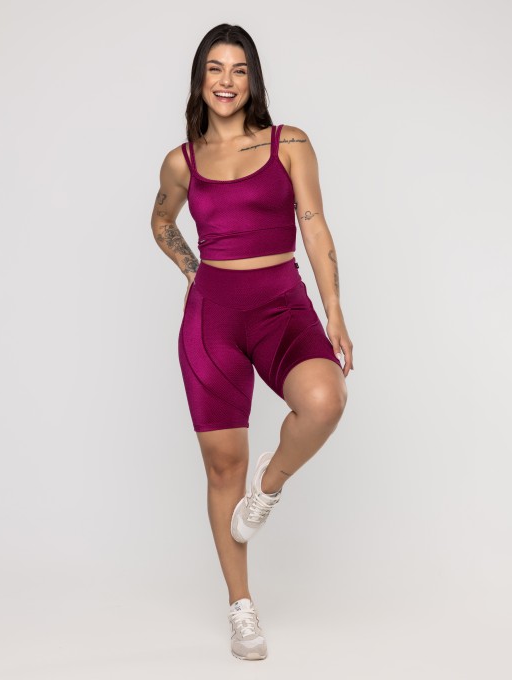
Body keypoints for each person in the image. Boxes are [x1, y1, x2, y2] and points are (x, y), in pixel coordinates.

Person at [151, 23, 354, 661]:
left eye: (239, 70)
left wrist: (335, 312)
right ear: (200, 79)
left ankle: (268, 485)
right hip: (212, 319)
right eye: (215, 68)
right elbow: (161, 219)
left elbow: (314, 227)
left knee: (324, 400)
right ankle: (242, 608)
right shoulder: (182, 161)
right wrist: (192, 269)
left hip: (281, 306)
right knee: (221, 468)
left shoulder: (289, 142)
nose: (227, 81)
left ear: (253, 80)